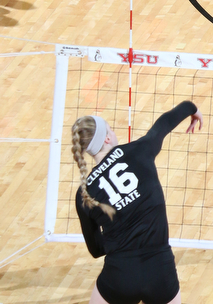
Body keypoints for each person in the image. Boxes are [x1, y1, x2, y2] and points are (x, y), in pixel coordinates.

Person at [72, 101, 203, 304]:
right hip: (161, 271)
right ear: (107, 138)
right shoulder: (140, 149)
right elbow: (165, 122)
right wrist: (192, 109)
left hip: (120, 275)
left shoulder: (84, 194)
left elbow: (96, 249)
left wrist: (119, 235)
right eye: (111, 129)